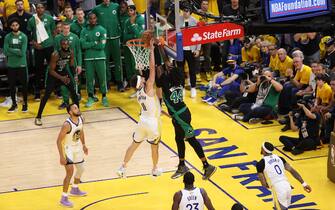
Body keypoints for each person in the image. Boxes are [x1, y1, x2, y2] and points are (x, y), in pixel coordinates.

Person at [156, 44, 216, 180]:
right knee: (178, 139)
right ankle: (182, 165)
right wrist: (160, 47)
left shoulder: (163, 82)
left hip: (180, 117)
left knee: (191, 139)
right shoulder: (179, 78)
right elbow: (167, 64)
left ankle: (207, 166)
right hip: (183, 112)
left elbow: (160, 81)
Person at [117, 38, 162, 177]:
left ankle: (122, 167)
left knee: (134, 145)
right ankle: (154, 169)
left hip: (142, 121)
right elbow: (152, 68)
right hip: (152, 123)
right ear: (141, 82)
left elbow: (143, 73)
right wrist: (152, 51)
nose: (143, 78)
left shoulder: (138, 93)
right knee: (155, 148)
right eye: (141, 78)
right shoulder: (148, 87)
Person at [35, 39, 79, 126]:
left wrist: (75, 76)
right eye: (63, 44)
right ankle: (38, 117)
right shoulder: (55, 54)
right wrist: (61, 78)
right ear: (60, 45)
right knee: (46, 95)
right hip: (53, 76)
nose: (65, 46)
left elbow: (71, 65)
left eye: (67, 44)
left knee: (74, 93)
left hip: (63, 73)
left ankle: (77, 115)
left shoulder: (71, 52)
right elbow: (51, 71)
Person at [256, 142, 312, 210]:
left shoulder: (260, 163)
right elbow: (292, 171)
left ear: (263, 150)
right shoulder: (280, 158)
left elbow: (264, 184)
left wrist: (269, 185)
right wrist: (304, 184)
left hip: (277, 188)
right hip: (287, 186)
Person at [57, 103, 88, 208]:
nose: (78, 109)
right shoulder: (67, 124)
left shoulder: (81, 119)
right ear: (70, 112)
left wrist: (84, 145)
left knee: (81, 169)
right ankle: (63, 198)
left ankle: (74, 188)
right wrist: (61, 156)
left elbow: (81, 131)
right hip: (68, 149)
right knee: (70, 172)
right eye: (75, 108)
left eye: (77, 107)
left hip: (77, 147)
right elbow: (58, 141)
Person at [92, 0, 123, 91]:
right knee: (104, 62)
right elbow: (89, 18)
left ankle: (119, 82)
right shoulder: (96, 8)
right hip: (103, 40)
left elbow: (123, 16)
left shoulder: (116, 6)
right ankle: (107, 82)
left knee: (118, 61)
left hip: (115, 37)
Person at [80, 12, 109, 108]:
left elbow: (102, 46)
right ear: (88, 19)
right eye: (90, 18)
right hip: (88, 58)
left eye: (94, 18)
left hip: (100, 57)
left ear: (96, 19)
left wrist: (90, 44)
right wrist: (95, 42)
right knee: (89, 79)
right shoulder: (84, 31)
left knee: (102, 78)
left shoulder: (102, 30)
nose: (92, 20)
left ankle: (104, 96)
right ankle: (90, 97)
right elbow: (83, 45)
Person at [27, 3, 55, 101]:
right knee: (38, 70)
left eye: (41, 7)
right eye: (38, 8)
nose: (39, 9)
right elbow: (29, 34)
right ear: (36, 10)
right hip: (38, 48)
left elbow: (53, 32)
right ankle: (38, 92)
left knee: (53, 68)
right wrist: (35, 44)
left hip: (49, 46)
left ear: (44, 8)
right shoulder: (31, 20)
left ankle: (55, 89)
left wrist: (51, 42)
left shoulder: (50, 18)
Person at [54, 22, 82, 109]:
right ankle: (65, 102)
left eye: (68, 28)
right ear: (61, 28)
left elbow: (78, 52)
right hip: (62, 65)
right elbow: (55, 52)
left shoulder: (75, 37)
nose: (66, 30)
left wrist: (79, 65)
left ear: (69, 28)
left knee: (74, 82)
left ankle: (74, 101)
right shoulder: (57, 38)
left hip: (73, 64)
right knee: (63, 83)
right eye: (64, 28)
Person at [3, 18, 28, 113]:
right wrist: (16, 51)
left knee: (24, 85)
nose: (15, 27)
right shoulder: (7, 37)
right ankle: (14, 104)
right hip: (11, 65)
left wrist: (11, 50)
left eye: (16, 25)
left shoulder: (24, 36)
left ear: (19, 25)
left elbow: (22, 52)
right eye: (13, 25)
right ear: (10, 27)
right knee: (12, 86)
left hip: (22, 64)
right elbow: (5, 51)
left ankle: (25, 104)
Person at [177, 8, 201, 98]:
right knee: (180, 70)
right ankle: (182, 87)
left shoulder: (195, 21)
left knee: (192, 70)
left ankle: (193, 87)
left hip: (191, 50)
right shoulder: (178, 19)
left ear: (190, 12)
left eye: (186, 11)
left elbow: (199, 35)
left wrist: (198, 49)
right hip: (180, 49)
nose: (184, 13)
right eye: (184, 11)